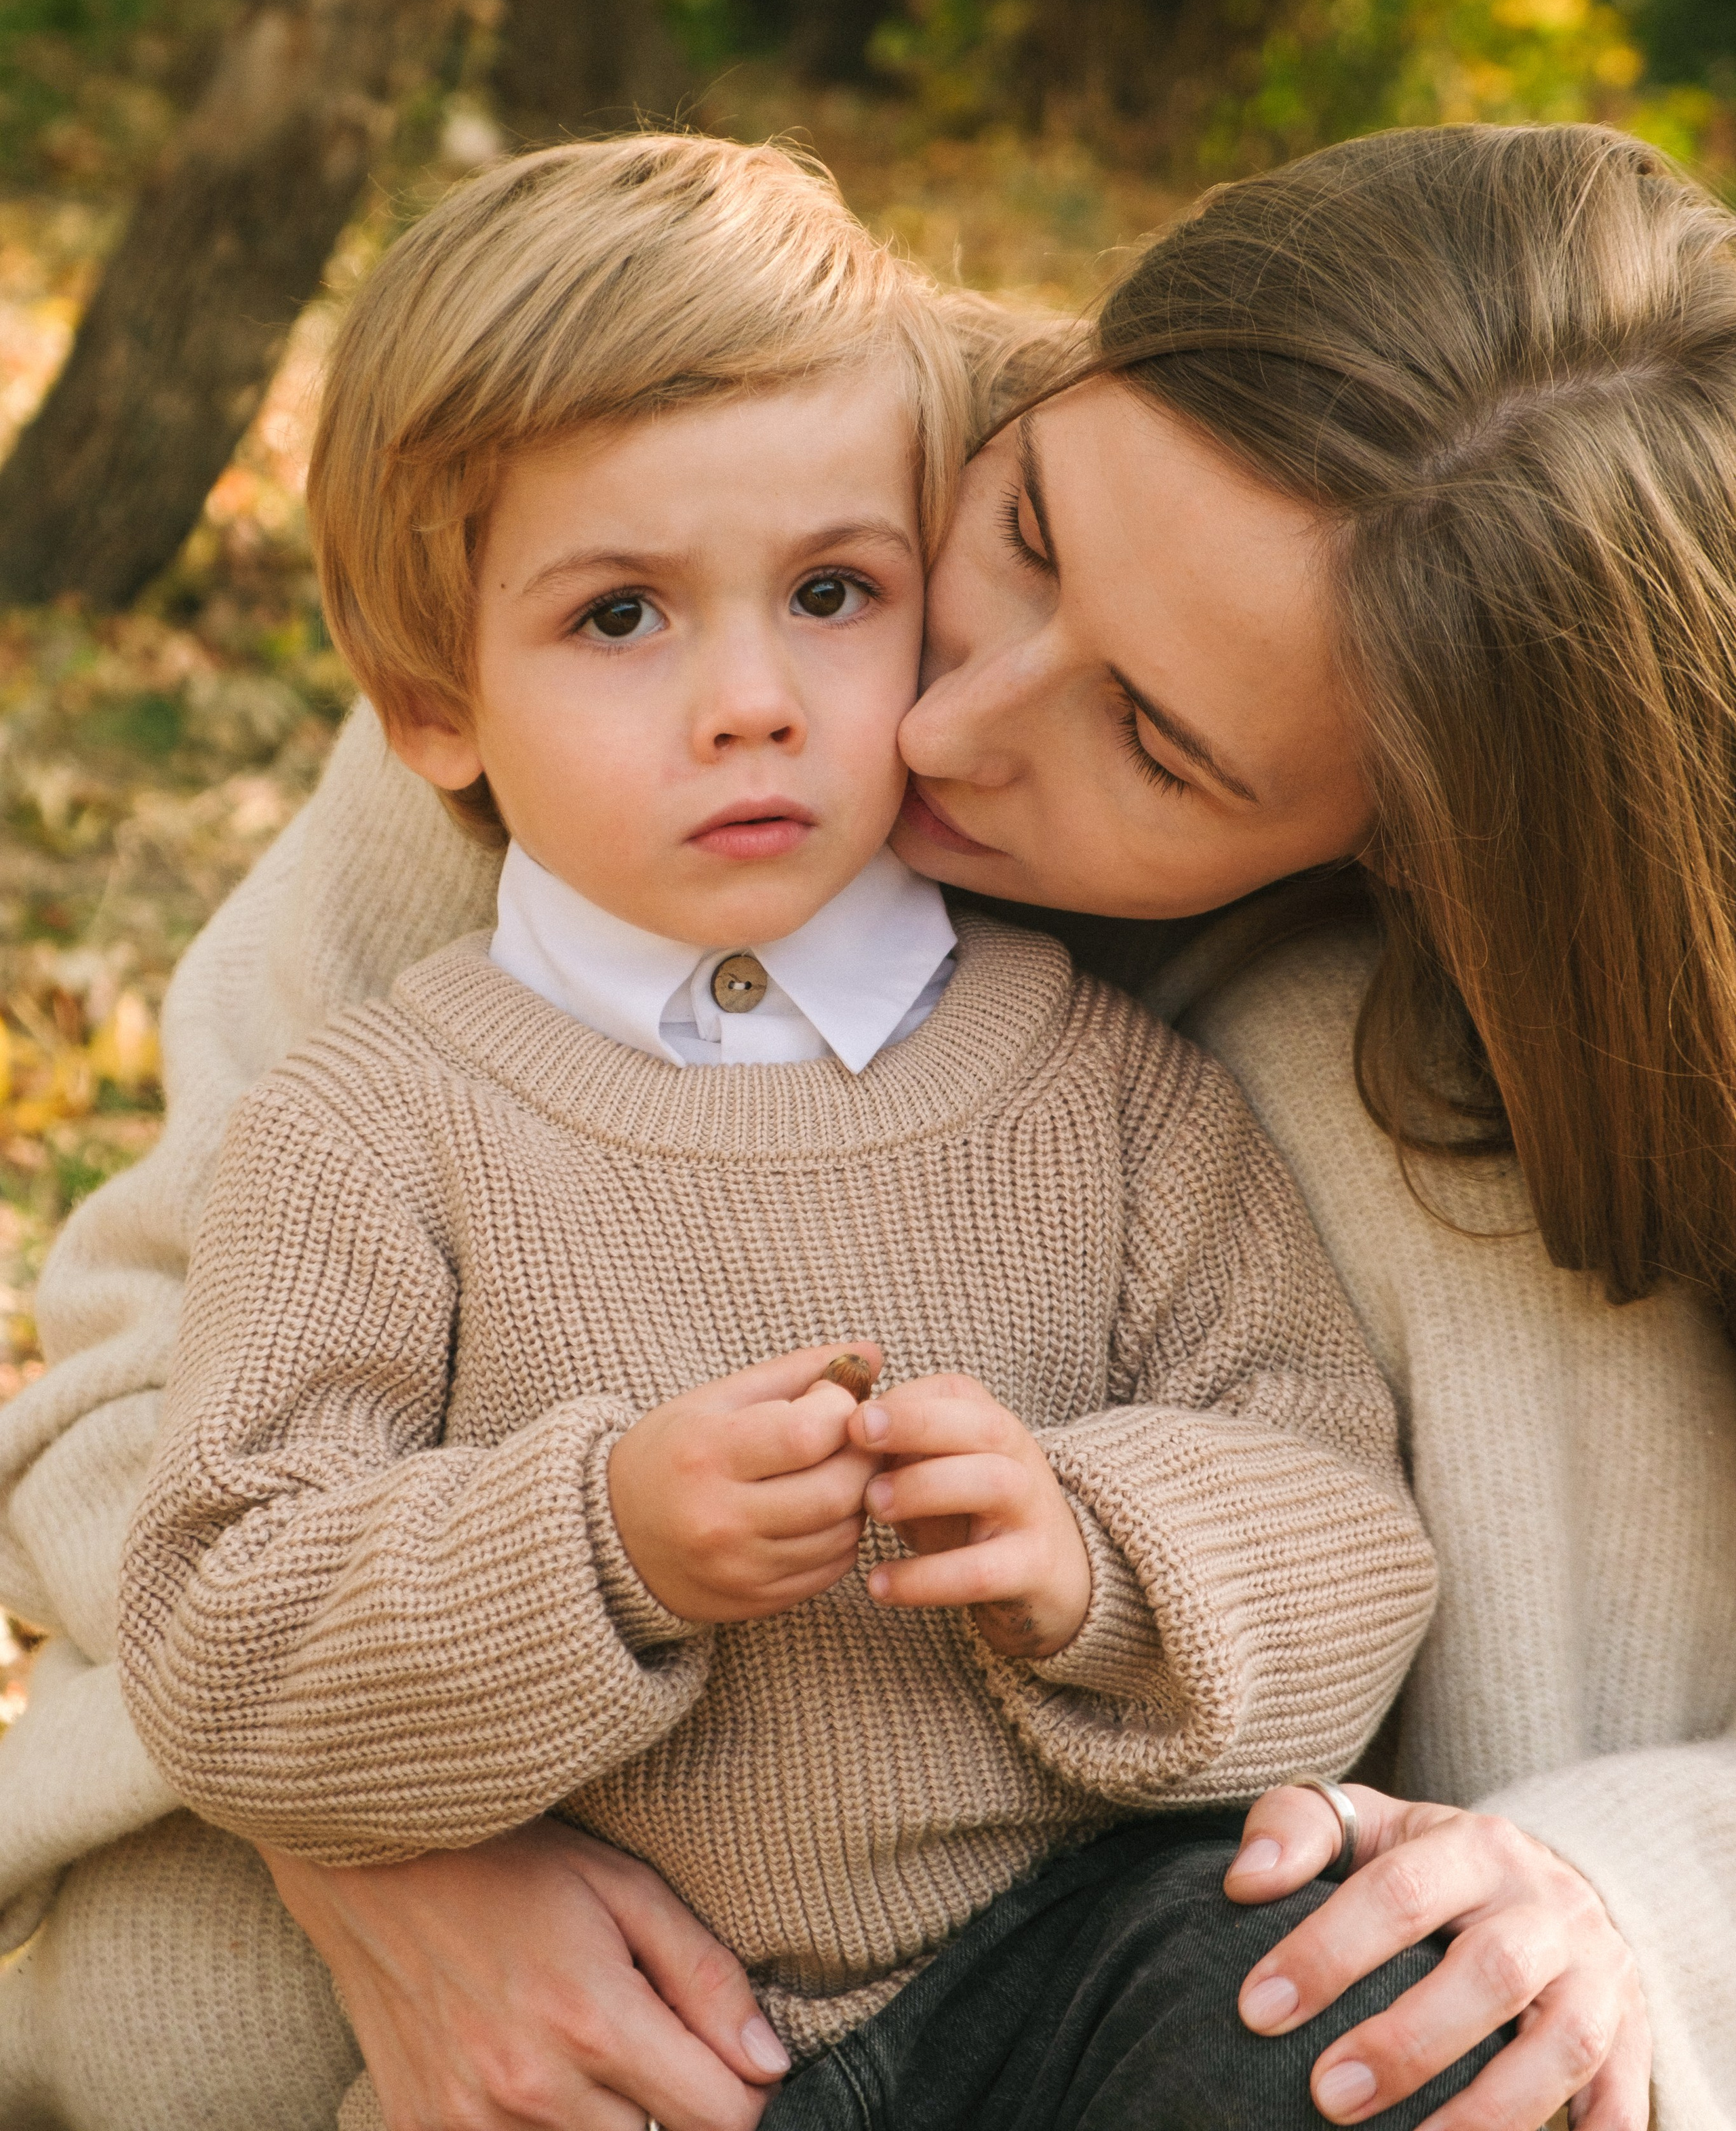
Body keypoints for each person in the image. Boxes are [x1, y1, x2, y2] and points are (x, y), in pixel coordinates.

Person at [0, 117, 1724, 2131]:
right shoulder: (670, 545)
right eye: (1028, 537)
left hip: (1123, 1922)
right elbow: (152, 1393)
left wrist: (1619, 1877)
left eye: (1153, 741)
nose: (927, 722)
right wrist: (388, 1834)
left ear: (1416, 859)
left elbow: (1334, 1524)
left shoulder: (1371, 1072)